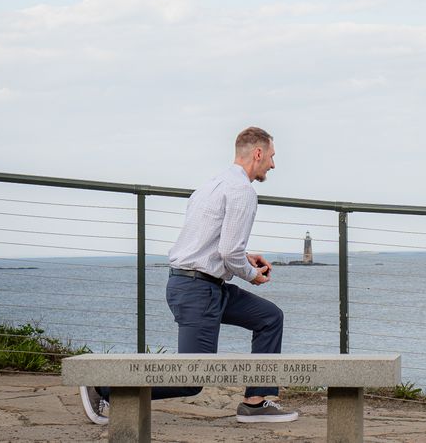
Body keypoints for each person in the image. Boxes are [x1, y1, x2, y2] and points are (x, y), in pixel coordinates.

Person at [80, 126, 299, 425]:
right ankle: (102, 389)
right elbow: (229, 253)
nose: (273, 164)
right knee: (191, 379)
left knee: (270, 317)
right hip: (198, 290)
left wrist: (245, 258)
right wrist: (251, 274)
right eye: (272, 156)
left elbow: (208, 245)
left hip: (202, 285)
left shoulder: (211, 185)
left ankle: (256, 402)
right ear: (258, 153)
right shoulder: (243, 191)